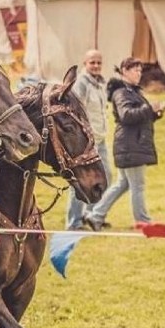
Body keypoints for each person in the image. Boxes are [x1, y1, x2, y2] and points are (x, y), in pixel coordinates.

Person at [85, 57, 165, 231]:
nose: (139, 73)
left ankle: (95, 216)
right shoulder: (121, 93)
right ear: (125, 71)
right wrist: (148, 108)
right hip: (130, 146)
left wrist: (156, 113)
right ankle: (143, 222)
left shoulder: (132, 91)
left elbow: (140, 117)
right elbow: (127, 116)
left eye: (140, 70)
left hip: (131, 144)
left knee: (123, 184)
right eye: (135, 70)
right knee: (138, 185)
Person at [64, 49, 113, 230]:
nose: (96, 66)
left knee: (105, 177)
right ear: (85, 63)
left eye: (99, 62)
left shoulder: (100, 83)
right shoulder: (81, 84)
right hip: (85, 143)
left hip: (99, 140)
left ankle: (91, 215)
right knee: (80, 181)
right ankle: (74, 222)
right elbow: (75, 111)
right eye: (92, 62)